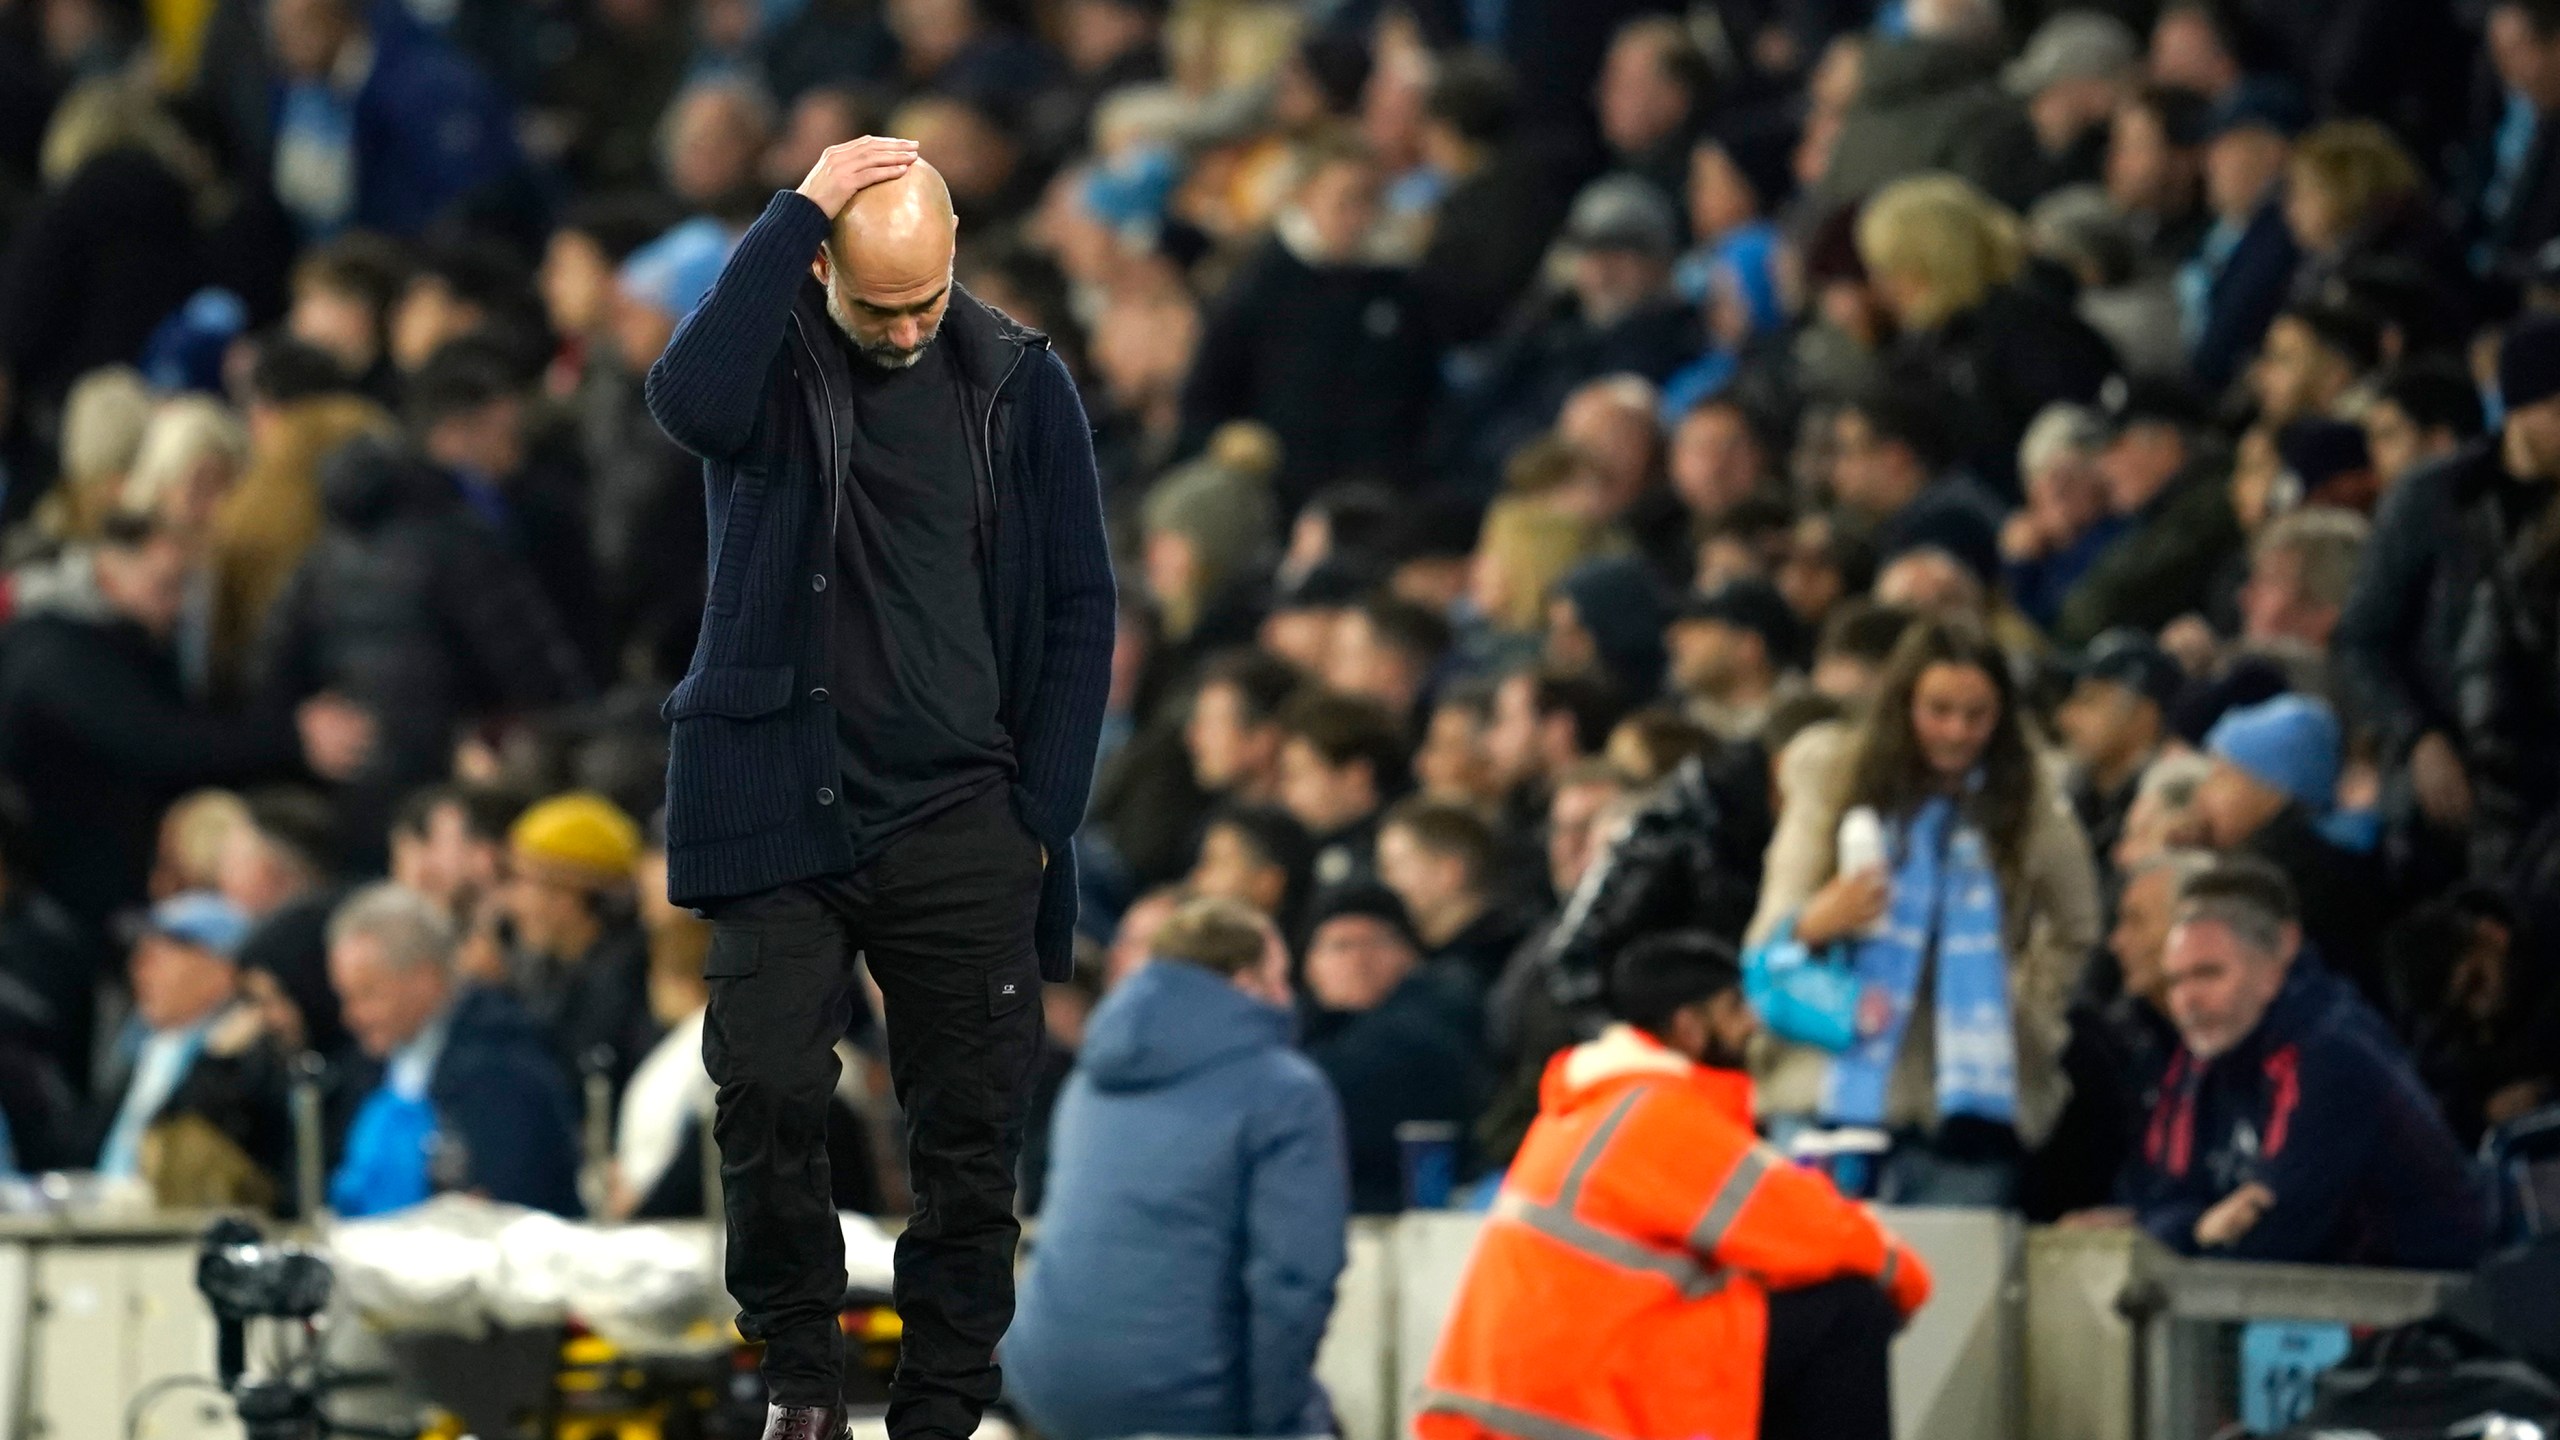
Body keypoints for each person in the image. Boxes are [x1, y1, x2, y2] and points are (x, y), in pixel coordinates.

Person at [642, 139, 1113, 1440]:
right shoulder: (769, 360)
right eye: (875, 303)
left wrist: (1043, 812)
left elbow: (1080, 598)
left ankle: (945, 1410)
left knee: (972, 1137)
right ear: (822, 271)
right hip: (780, 804)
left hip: (965, 809)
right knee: (771, 1091)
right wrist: (795, 211)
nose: (904, 330)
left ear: (956, 260)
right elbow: (684, 401)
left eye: (926, 299)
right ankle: (800, 1382)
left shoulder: (1021, 379)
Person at [1421, 932, 1932, 1440]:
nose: (1752, 1023)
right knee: (1846, 1311)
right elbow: (1821, 1233)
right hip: (1571, 1406)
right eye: (1734, 1008)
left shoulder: (1601, 1105)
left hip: (1514, 1404)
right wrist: (1907, 1283)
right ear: (1689, 1028)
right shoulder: (1659, 1114)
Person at [1745, 618, 2100, 1205]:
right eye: (1938, 710)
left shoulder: (2027, 800)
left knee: (1954, 1292)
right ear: (1901, 704)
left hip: (1966, 1111)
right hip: (1825, 1092)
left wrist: (2028, 1018)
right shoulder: (1833, 777)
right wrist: (1818, 921)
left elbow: (2077, 926)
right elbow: (1769, 931)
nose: (1957, 732)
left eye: (1976, 714)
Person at [1004, 899, 1347, 1440]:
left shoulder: (1091, 1079)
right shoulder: (1285, 1091)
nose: (1289, 999)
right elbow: (1294, 1280)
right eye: (1280, 979)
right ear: (1244, 981)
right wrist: (1277, 1420)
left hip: (1043, 1379)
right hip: (1180, 1393)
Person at [2105, 859, 2489, 1267]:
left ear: (2271, 972)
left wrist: (2189, 1231)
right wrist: (2197, 1226)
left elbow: (2276, 1234)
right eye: (2176, 980)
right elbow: (2162, 1193)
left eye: (2209, 974)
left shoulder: (2328, 1053)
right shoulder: (2205, 1055)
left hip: (2425, 1305)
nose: (2188, 1001)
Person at [0, 515, 372, 931]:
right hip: (62, 894)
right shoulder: (52, 648)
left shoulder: (128, 641)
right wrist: (291, 738)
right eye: (165, 585)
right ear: (107, 573)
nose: (177, 605)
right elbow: (157, 741)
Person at [1177, 138, 1438, 514]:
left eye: (1370, 200)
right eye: (1346, 200)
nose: (1358, 217)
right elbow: (1205, 399)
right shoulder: (1259, 285)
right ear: (1305, 197)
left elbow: (1422, 393)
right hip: (1283, 501)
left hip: (1383, 499)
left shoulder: (1400, 287)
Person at [325, 882, 581, 1218]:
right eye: (347, 998)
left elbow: (505, 1206)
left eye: (368, 995)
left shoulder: (504, 1069)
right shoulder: (374, 1066)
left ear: (425, 979)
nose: (352, 1016)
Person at [91, 893, 290, 1209]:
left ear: (222, 968)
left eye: (161, 955)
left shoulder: (242, 1058)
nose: (140, 970)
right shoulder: (144, 1049)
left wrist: (216, 1062)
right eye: (140, 955)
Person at [1296, 883, 1485, 1214]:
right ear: (1310, 966)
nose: (1359, 960)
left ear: (1411, 956)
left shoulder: (1438, 1022)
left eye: (1377, 943)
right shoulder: (1296, 1037)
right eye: (1340, 946)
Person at [264, 0, 521, 238]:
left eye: (302, 28)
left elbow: (463, 205)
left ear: (339, 17)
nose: (285, 45)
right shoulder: (297, 91)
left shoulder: (425, 86)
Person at [499, 792, 657, 1106]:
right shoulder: (552, 972)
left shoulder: (623, 990)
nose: (512, 903)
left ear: (570, 892)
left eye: (523, 882)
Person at [2182, 80, 2306, 391]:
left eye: (2224, 147)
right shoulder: (2229, 233)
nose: (2208, 163)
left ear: (2274, 152)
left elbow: (2221, 353)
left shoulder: (2283, 236)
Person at [2055, 629, 2184, 869]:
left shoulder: (2172, 803)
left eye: (2089, 701)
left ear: (2143, 716)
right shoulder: (2076, 796)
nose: (2066, 718)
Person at [1375, 799, 1529, 990]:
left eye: (1397, 866)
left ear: (1449, 872)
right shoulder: (1423, 960)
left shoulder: (1498, 963)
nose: (1386, 881)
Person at [1276, 690, 1405, 891]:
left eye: (1298, 774)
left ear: (1356, 776)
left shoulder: (1388, 862)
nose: (1285, 791)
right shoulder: (1302, 851)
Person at [1666, 577, 1808, 745]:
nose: (1676, 637)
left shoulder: (1803, 728)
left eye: (1702, 628)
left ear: (1748, 646)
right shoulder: (1685, 725)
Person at [1183, 649, 1299, 810]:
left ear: (1264, 738)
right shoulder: (1213, 824)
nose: (1192, 737)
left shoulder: (1309, 829)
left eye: (1213, 725)